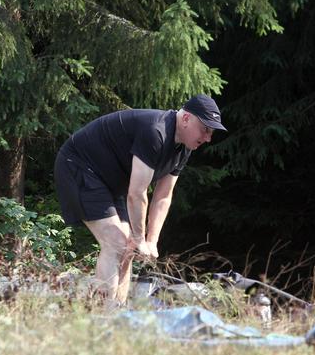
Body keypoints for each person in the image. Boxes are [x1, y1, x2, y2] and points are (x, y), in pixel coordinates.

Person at [54, 94, 226, 304]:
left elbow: (163, 196)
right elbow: (137, 193)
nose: (208, 138)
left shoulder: (184, 148)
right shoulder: (156, 132)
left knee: (128, 250)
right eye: (205, 129)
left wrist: (151, 240)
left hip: (112, 182)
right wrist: (139, 237)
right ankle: (104, 316)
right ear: (187, 118)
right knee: (116, 243)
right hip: (79, 165)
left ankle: (119, 312)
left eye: (211, 132)